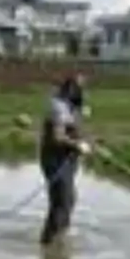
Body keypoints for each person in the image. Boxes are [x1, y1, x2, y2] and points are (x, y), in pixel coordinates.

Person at [39, 72, 91, 246]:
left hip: (68, 160)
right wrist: (77, 145)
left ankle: (60, 238)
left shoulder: (73, 107)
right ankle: (47, 244)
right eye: (79, 88)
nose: (83, 92)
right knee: (61, 201)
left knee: (69, 200)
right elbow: (58, 137)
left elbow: (76, 130)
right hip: (55, 160)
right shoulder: (59, 107)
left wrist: (87, 141)